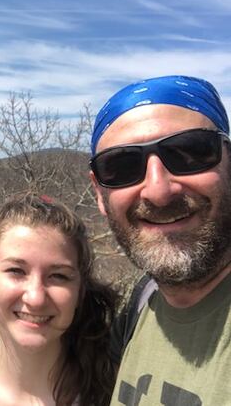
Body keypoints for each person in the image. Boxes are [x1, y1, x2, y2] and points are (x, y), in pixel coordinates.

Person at [89, 75, 231, 405]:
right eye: (121, 166)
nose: (159, 190)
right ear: (99, 193)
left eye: (190, 152)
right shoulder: (142, 304)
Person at [0, 193, 117, 406]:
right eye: (16, 271)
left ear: (80, 289)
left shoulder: (115, 388)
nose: (36, 298)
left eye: (58, 276)